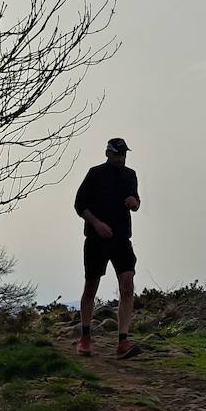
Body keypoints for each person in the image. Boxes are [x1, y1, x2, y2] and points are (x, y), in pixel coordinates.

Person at [73, 137, 141, 358]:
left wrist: (134, 202)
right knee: (91, 287)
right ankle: (84, 337)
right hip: (96, 239)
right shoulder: (95, 174)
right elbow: (79, 204)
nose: (121, 158)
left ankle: (123, 341)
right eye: (117, 154)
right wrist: (96, 223)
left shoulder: (130, 175)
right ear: (108, 153)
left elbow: (136, 202)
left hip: (122, 239)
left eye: (123, 154)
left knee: (128, 285)